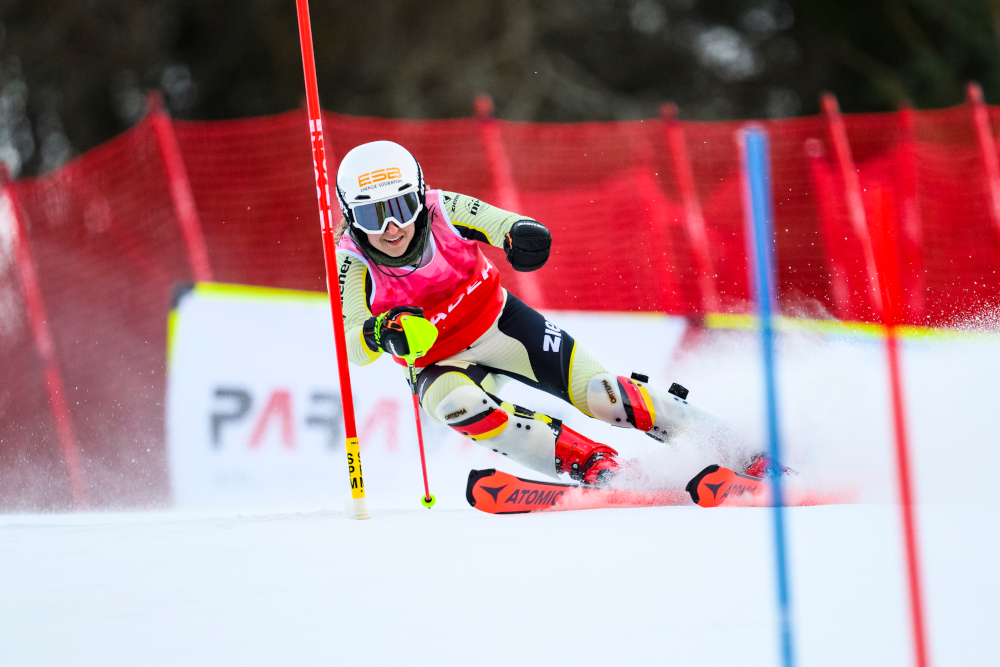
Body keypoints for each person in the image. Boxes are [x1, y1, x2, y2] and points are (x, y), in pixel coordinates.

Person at [335, 140, 767, 486]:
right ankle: (593, 465)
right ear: (352, 218)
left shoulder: (442, 208)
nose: (391, 228)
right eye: (372, 216)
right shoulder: (351, 261)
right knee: (457, 405)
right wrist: (379, 332)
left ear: (419, 195)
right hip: (436, 361)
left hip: (502, 325)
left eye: (400, 207)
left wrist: (521, 236)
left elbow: (502, 224)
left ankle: (737, 450)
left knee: (603, 395)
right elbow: (352, 345)